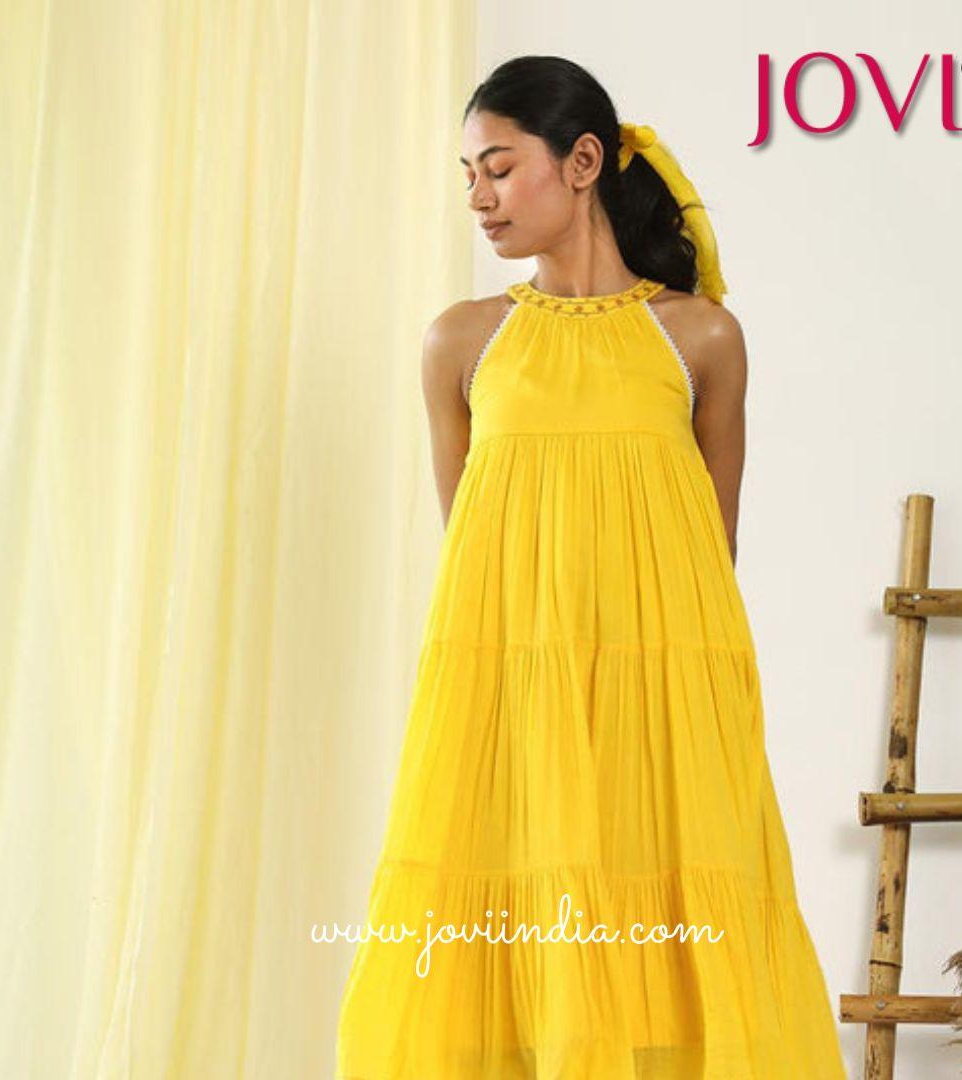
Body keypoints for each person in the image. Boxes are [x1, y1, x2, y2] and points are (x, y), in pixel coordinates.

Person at [336, 55, 847, 1079]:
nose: (477, 197)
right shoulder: (461, 344)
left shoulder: (701, 339)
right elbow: (475, 557)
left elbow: (711, 558)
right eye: (467, 175)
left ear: (581, 163)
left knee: (669, 958)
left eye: (497, 168)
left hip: (663, 716)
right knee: (511, 943)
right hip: (510, 711)